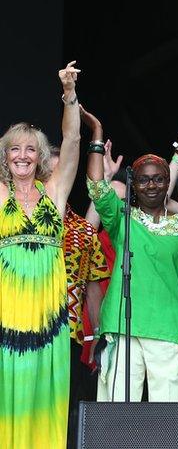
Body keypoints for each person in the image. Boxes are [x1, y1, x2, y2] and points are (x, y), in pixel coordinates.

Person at [85, 110, 178, 403]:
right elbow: (96, 186)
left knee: (169, 421)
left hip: (173, 330)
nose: (151, 185)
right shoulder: (122, 220)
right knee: (116, 417)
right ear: (133, 186)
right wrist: (97, 135)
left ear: (168, 184)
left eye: (158, 180)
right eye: (143, 180)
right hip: (122, 327)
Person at [0, 62, 81, 449]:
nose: (22, 155)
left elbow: (72, 141)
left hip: (48, 308)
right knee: (8, 385)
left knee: (45, 388)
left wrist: (69, 96)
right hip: (8, 307)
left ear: (40, 156)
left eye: (30, 149)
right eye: (14, 149)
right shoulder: (0, 194)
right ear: (5, 155)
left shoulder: (55, 191)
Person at [49, 145, 111, 446]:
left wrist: (96, 336)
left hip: (67, 333)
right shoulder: (14, 215)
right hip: (19, 327)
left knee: (66, 408)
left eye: (66, 170)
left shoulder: (79, 229)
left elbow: (94, 285)